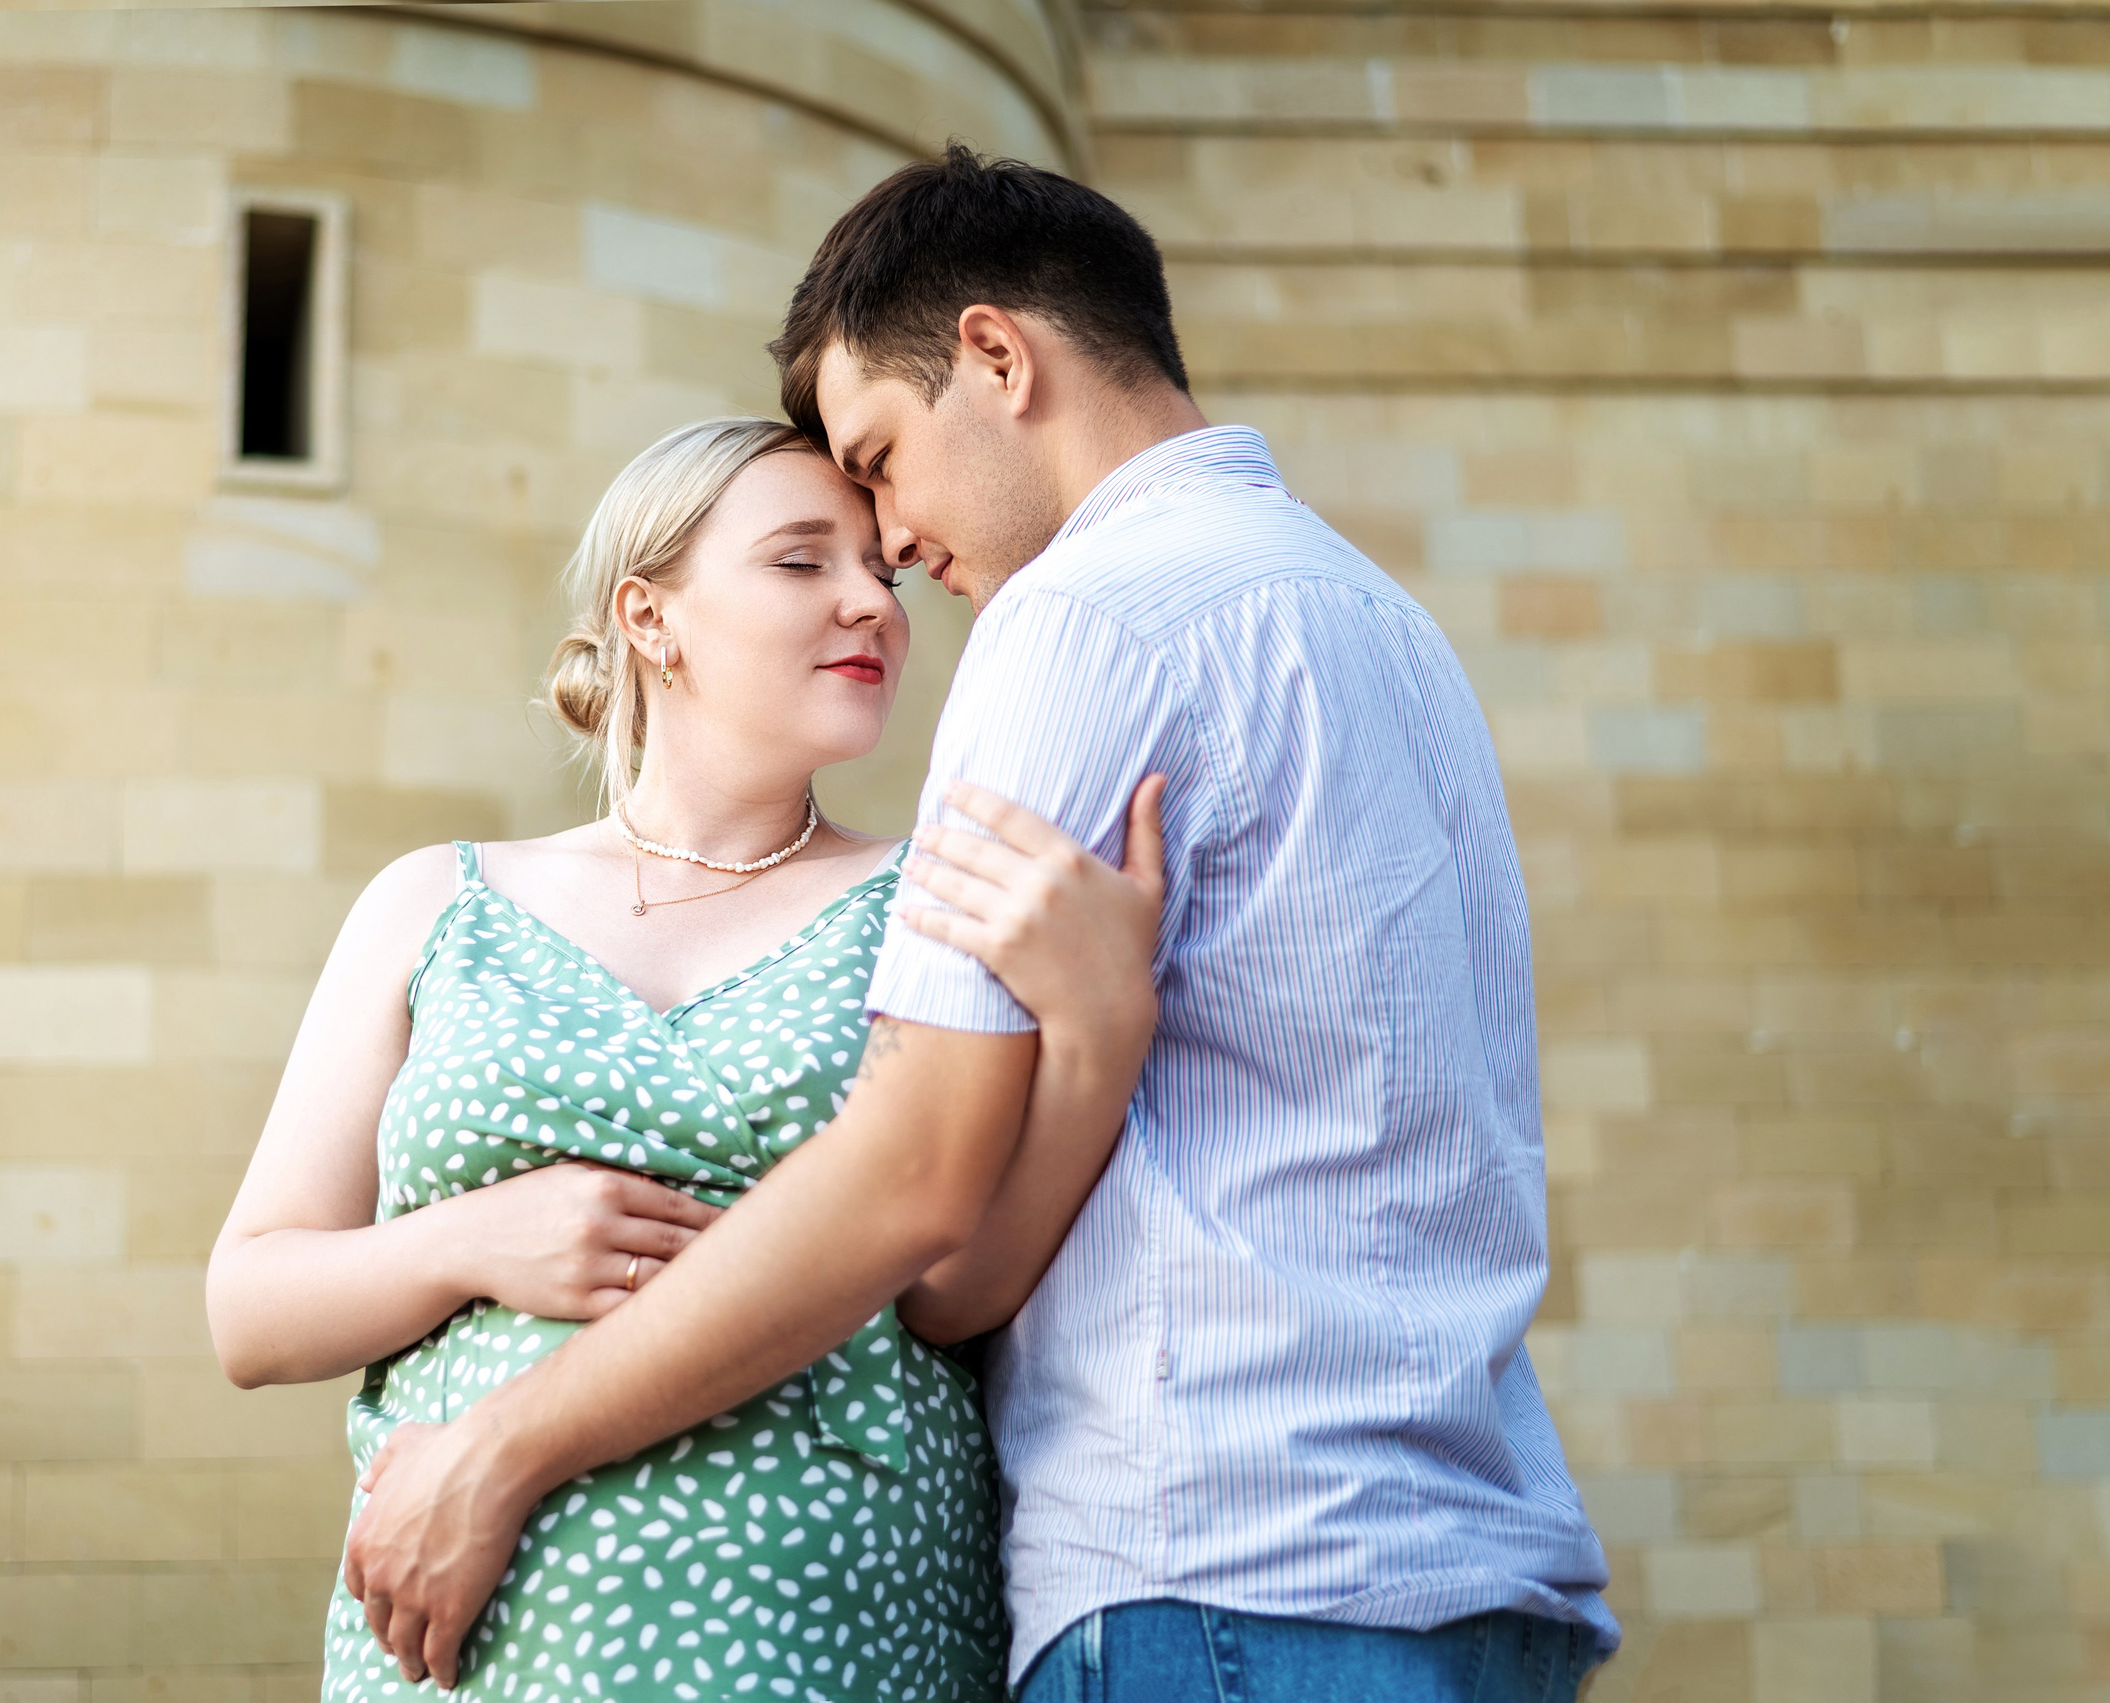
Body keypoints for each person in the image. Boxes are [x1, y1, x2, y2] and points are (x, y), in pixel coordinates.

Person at [341, 147, 1622, 1703]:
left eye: (877, 460)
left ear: (999, 358)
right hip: (1471, 1575)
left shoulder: (1077, 618)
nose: (893, 548)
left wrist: (502, 1449)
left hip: (1220, 1569)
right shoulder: (1385, 624)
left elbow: (914, 1179)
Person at [205, 415, 1170, 1703]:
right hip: (471, 1646)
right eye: (799, 563)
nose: (870, 603)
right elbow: (251, 1310)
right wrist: (472, 1238)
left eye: (881, 572)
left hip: (832, 1625)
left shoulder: (934, 897)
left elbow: (955, 1284)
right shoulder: (433, 903)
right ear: (650, 618)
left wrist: (1104, 1035)